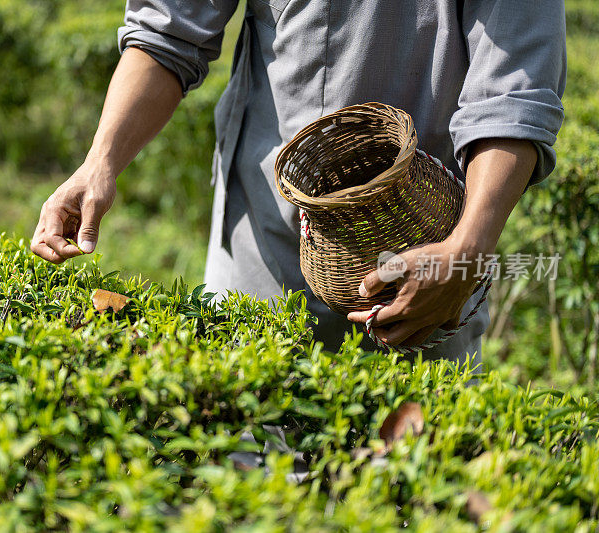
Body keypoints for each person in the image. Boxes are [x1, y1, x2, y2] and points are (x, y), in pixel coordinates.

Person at [31, 0, 566, 366]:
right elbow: (169, 27)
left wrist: (466, 249)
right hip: (265, 230)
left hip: (428, 249)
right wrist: (100, 161)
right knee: (247, 456)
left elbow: (513, 91)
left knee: (409, 485)